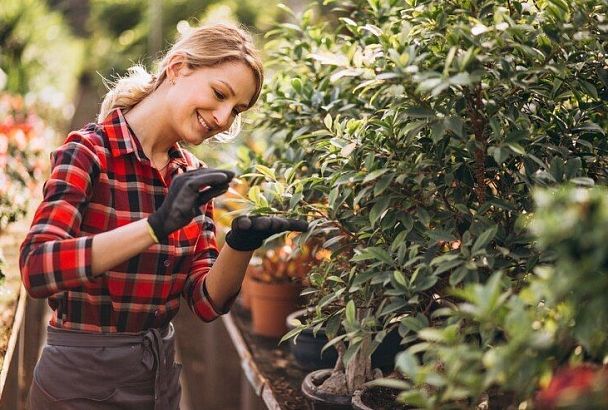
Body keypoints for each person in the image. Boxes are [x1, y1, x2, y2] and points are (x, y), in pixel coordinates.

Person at [19, 23, 307, 410]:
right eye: (219, 94)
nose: (223, 118)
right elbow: (37, 267)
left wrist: (240, 244)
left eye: (235, 110)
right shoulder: (90, 153)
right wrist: (155, 226)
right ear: (177, 68)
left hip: (159, 381)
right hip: (80, 382)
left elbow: (206, 302)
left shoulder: (190, 176)